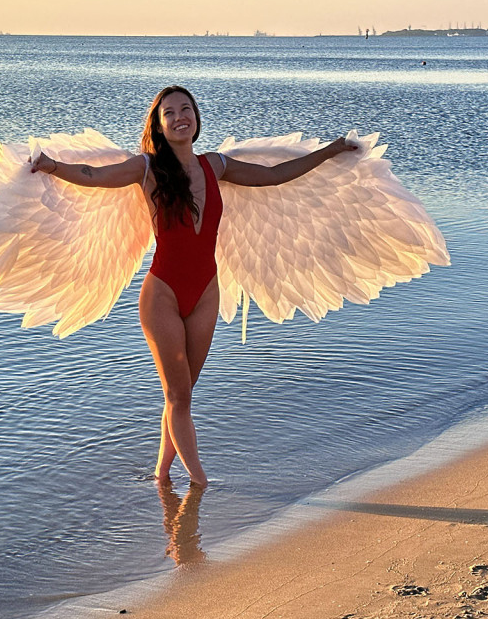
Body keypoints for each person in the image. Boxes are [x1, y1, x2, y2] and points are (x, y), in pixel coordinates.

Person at [30, 86, 358, 489]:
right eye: (170, 112)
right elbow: (93, 176)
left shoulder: (215, 166)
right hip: (162, 294)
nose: (180, 116)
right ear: (160, 125)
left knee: (180, 396)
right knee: (179, 396)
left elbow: (274, 177)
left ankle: (161, 475)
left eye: (187, 109)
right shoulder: (146, 168)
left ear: (197, 118)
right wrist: (49, 165)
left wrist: (330, 151)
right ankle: (201, 482)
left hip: (206, 292)